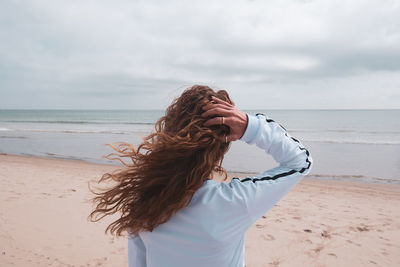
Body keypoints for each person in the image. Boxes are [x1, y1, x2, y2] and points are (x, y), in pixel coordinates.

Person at [89, 85, 313, 267]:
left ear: (170, 131)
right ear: (221, 146)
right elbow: (300, 162)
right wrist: (250, 126)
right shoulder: (234, 203)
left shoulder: (146, 198)